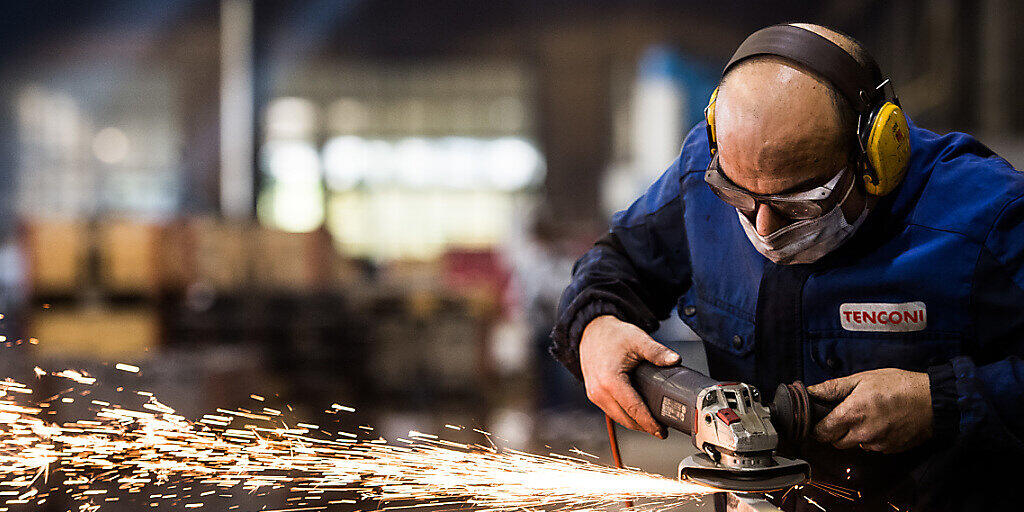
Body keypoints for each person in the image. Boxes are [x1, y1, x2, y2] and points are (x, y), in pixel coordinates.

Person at [549, 23, 1023, 512]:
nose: (764, 226)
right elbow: (619, 260)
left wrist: (939, 401)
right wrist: (597, 325)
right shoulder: (704, 173)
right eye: (738, 197)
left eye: (798, 203)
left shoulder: (987, 216)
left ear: (878, 155)